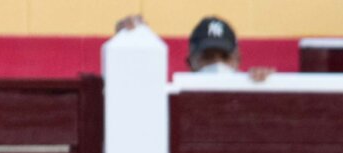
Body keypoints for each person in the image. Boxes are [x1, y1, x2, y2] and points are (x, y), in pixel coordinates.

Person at [115, 14, 273, 80]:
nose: (217, 65)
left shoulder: (253, 90)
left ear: (237, 60)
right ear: (191, 62)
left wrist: (265, 88)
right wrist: (129, 43)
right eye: (208, 57)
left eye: (224, 57)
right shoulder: (173, 102)